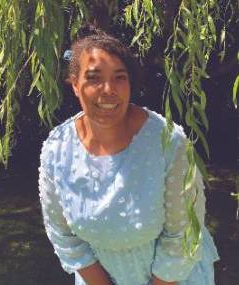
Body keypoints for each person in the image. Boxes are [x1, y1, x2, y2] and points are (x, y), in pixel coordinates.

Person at [38, 26, 219, 285]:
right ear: (75, 84)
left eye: (119, 77)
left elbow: (183, 235)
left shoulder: (168, 141)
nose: (108, 89)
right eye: (94, 78)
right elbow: (64, 236)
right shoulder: (56, 150)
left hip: (174, 279)